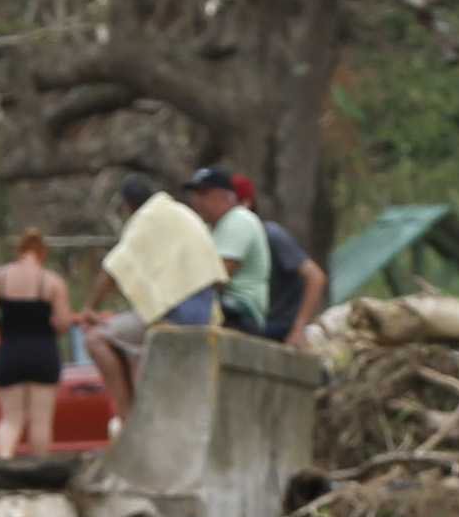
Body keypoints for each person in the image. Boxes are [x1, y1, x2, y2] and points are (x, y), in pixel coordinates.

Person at [88, 171, 226, 422]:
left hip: (180, 318)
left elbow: (112, 270)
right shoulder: (180, 213)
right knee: (130, 338)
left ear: (128, 205)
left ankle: (126, 417)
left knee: (96, 339)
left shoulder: (146, 218)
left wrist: (90, 309)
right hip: (207, 312)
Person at [0, 228, 72, 460]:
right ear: (42, 253)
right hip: (43, 352)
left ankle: (4, 462)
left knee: (10, 419)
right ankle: (39, 473)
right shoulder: (52, 281)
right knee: (40, 420)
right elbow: (64, 324)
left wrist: (6, 322)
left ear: (20, 250)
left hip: (10, 351)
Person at [194, 169, 324, 343]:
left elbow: (316, 277)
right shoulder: (218, 234)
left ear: (243, 204)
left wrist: (298, 328)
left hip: (274, 322)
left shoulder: (270, 234)